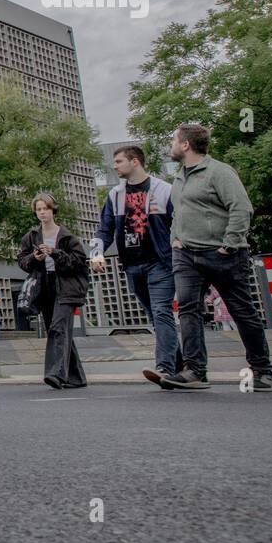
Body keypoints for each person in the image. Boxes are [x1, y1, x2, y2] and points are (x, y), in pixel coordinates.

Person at [164, 123, 272, 392]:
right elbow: (177, 214)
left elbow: (241, 208)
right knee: (189, 310)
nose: (171, 145)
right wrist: (175, 241)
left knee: (242, 312)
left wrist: (229, 244)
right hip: (186, 256)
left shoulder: (219, 172)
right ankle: (195, 371)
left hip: (222, 255)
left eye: (173, 141)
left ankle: (263, 371)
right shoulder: (179, 177)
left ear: (185, 145)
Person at [90, 145, 183, 388]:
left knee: (162, 311)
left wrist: (178, 245)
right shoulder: (115, 195)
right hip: (132, 265)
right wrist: (97, 252)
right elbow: (105, 228)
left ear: (135, 162)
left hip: (160, 263)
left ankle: (164, 367)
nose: (115, 166)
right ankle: (181, 366)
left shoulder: (164, 190)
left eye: (119, 161)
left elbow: (180, 223)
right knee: (155, 316)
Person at [16, 192, 89, 389]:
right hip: (44, 287)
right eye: (38, 209)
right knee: (57, 330)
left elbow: (79, 261)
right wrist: (35, 258)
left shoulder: (66, 236)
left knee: (58, 328)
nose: (42, 213)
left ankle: (55, 374)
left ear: (53, 210)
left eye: (45, 208)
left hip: (66, 287)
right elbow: (22, 262)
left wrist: (55, 253)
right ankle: (76, 377)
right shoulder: (31, 237)